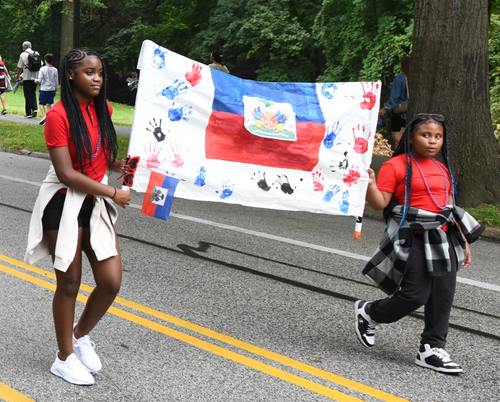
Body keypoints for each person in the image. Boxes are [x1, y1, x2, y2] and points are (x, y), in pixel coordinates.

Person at [25, 48, 132, 386]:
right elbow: (67, 173)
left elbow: (99, 154)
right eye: (89, 72)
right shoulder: (58, 115)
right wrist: (114, 192)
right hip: (62, 202)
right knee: (69, 282)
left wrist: (119, 166)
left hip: (93, 202)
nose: (97, 77)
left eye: (99, 71)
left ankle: (80, 334)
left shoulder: (104, 110)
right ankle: (64, 357)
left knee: (111, 281)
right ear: (71, 75)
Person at [355, 114, 484, 375]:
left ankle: (431, 348)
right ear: (411, 137)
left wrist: (463, 241)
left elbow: (447, 208)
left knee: (443, 295)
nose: (433, 141)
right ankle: (370, 313)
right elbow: (380, 203)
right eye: (426, 135)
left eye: (438, 136)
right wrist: (369, 184)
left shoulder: (442, 167)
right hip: (412, 235)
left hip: (444, 238)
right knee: (415, 295)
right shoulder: (396, 165)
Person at [379, 56, 411, 149]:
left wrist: (386, 108)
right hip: (409, 111)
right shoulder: (415, 77)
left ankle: (407, 149)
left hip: (399, 112)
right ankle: (399, 157)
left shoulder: (400, 77)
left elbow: (394, 97)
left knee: (396, 135)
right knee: (403, 133)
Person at [17, 41, 41, 118]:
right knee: (33, 93)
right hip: (35, 77)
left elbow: (19, 67)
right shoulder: (36, 53)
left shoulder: (23, 54)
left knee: (27, 94)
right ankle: (35, 109)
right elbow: (41, 64)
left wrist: (18, 76)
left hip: (27, 77)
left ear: (24, 47)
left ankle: (28, 113)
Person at [35, 53, 59, 125]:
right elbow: (56, 81)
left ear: (45, 60)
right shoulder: (55, 70)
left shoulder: (42, 69)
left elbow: (39, 80)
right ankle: (49, 118)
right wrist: (55, 89)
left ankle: (44, 116)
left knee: (41, 103)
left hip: (44, 89)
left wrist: (36, 81)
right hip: (51, 89)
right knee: (49, 104)